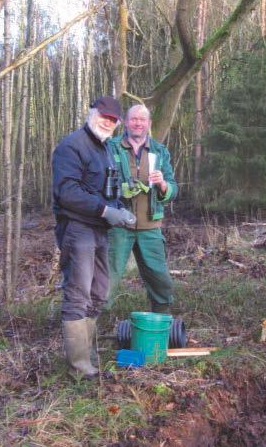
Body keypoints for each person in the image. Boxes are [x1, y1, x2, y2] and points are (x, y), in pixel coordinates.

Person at [52, 96, 136, 378]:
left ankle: (87, 355)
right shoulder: (71, 146)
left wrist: (120, 211)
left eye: (113, 120)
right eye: (104, 116)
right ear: (91, 113)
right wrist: (104, 210)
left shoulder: (106, 149)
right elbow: (68, 193)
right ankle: (80, 368)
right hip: (77, 229)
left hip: (100, 230)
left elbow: (108, 191)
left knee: (99, 293)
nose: (108, 122)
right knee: (79, 294)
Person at [106, 104, 178, 313]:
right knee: (105, 280)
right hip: (117, 226)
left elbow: (173, 188)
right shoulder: (110, 147)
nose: (138, 123)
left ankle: (159, 329)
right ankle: (89, 334)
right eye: (133, 119)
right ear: (125, 122)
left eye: (142, 119)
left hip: (150, 227)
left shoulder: (159, 151)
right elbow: (98, 181)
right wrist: (120, 188)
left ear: (149, 124)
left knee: (160, 280)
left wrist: (163, 185)